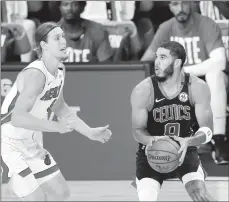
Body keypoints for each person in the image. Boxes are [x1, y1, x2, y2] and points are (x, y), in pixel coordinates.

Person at [1, 22, 112, 201]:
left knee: (61, 193)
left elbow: (60, 107)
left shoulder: (59, 69)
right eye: (57, 38)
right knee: (37, 198)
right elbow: (17, 118)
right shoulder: (36, 74)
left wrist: (89, 132)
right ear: (43, 45)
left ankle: (18, 183)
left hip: (29, 142)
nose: (63, 41)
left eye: (63, 36)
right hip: (8, 142)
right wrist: (56, 126)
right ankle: (15, 181)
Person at [141, 1, 228, 165]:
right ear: (169, 6)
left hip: (206, 81)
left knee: (215, 75)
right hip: (180, 84)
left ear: (193, 3)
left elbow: (220, 62)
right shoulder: (166, 27)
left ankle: (219, 140)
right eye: (175, 4)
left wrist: (183, 72)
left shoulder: (206, 24)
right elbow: (146, 60)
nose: (180, 8)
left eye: (184, 3)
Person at [131, 41, 216, 201]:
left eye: (163, 57)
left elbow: (208, 130)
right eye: (156, 57)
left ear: (177, 62)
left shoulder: (197, 87)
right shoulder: (143, 90)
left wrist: (190, 141)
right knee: (147, 199)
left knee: (201, 196)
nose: (156, 62)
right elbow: (137, 130)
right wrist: (152, 140)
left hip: (186, 150)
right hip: (151, 153)